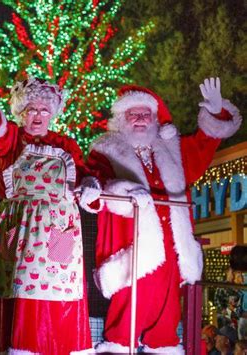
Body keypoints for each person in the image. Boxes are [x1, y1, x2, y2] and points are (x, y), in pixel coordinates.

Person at [84, 78, 242, 353]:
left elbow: (204, 144)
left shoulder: (171, 149)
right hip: (134, 246)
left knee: (168, 315)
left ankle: (164, 346)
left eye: (146, 114)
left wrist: (216, 113)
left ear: (155, 119)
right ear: (121, 119)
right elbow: (95, 181)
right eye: (133, 114)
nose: (140, 120)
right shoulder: (107, 149)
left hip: (173, 248)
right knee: (128, 310)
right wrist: (122, 189)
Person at [0, 37, 97, 354]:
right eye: (31, 109)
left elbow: (83, 180)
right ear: (21, 112)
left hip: (60, 232)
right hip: (22, 234)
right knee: (23, 304)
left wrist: (92, 187)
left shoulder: (67, 145)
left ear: (53, 112)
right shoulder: (13, 141)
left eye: (44, 109)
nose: (38, 115)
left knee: (59, 302)